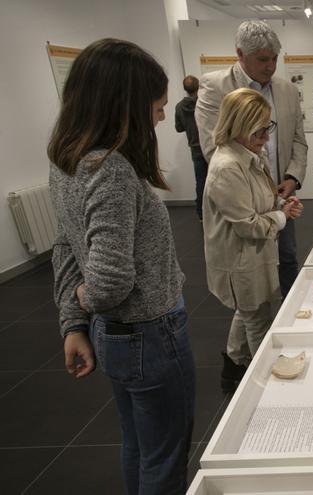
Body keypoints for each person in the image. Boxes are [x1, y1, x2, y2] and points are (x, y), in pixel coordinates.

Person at [47, 38, 194, 495]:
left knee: (139, 445)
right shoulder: (109, 171)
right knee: (165, 457)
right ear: (125, 106)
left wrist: (74, 324)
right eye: (156, 107)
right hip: (150, 334)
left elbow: (65, 247)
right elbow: (109, 282)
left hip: (117, 337)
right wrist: (83, 299)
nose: (162, 117)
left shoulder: (67, 164)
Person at [202, 88, 304, 393]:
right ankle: (268, 386)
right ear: (237, 124)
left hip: (255, 255)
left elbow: (262, 203)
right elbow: (248, 225)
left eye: (267, 127)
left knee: (249, 310)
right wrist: (281, 217)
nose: (266, 136)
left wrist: (281, 207)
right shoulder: (227, 167)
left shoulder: (250, 154)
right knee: (258, 321)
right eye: (258, 129)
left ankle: (233, 364)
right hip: (240, 260)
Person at [196, 19, 307, 296]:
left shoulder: (287, 90)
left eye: (274, 59)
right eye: (262, 60)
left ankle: (289, 314)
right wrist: (258, 187)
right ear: (240, 54)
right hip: (242, 195)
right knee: (252, 271)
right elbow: (214, 148)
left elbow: (298, 140)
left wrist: (292, 177)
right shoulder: (215, 86)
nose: (270, 66)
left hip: (281, 191)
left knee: (288, 257)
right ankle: (261, 315)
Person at [174, 75, 208, 220]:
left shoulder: (179, 106)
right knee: (217, 181)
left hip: (195, 149)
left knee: (200, 181)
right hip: (210, 146)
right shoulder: (204, 103)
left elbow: (179, 128)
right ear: (198, 86)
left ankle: (201, 214)